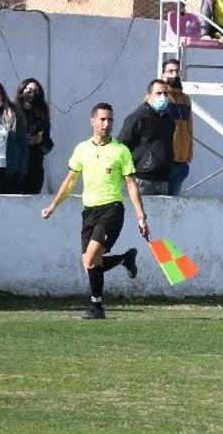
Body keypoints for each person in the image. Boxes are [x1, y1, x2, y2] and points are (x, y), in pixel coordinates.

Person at [40, 102, 147, 319]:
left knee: (90, 260)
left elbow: (131, 184)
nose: (107, 124)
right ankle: (99, 305)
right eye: (103, 119)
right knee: (91, 263)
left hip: (112, 209)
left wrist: (140, 216)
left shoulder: (120, 150)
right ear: (93, 121)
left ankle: (98, 302)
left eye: (110, 120)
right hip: (89, 211)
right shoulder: (82, 149)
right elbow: (70, 181)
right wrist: (53, 205)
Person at [117, 79, 176, 195]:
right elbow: (121, 146)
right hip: (142, 179)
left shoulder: (168, 119)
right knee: (141, 212)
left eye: (165, 93)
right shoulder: (138, 117)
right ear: (149, 96)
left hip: (163, 179)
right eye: (159, 93)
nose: (163, 97)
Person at [15, 77, 52, 195]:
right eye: (29, 89)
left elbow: (48, 144)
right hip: (15, 165)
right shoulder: (12, 112)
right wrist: (22, 140)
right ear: (22, 90)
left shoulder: (41, 116)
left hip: (34, 166)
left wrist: (40, 141)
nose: (31, 93)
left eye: (36, 91)